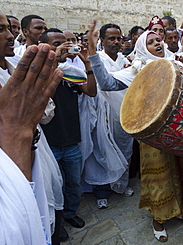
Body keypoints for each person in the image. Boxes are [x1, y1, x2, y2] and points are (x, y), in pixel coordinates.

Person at [87, 19, 183, 243]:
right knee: (159, 176)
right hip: (153, 134)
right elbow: (108, 84)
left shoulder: (176, 63)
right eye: (150, 42)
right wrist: (92, 54)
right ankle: (158, 219)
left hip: (180, 130)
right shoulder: (137, 69)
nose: (157, 43)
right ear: (141, 48)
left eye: (158, 40)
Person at [0, 3, 63, 244]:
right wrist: (21, 126)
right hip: (9, 171)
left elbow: (45, 115)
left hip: (39, 155)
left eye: (9, 30)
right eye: (1, 29)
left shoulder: (16, 69)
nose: (11, 36)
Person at [39, 27, 97, 241]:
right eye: (56, 45)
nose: (62, 48)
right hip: (49, 143)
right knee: (53, 187)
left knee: (73, 182)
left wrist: (87, 63)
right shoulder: (38, 74)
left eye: (64, 43)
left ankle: (70, 214)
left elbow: (91, 92)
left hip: (71, 140)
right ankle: (57, 223)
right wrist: (54, 62)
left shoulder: (70, 72)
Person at [81, 23, 134, 209]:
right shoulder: (98, 59)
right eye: (111, 38)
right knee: (102, 151)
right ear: (102, 40)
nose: (116, 42)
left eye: (119, 38)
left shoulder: (126, 60)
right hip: (102, 112)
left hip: (122, 111)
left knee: (124, 148)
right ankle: (101, 191)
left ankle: (121, 185)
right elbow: (104, 83)